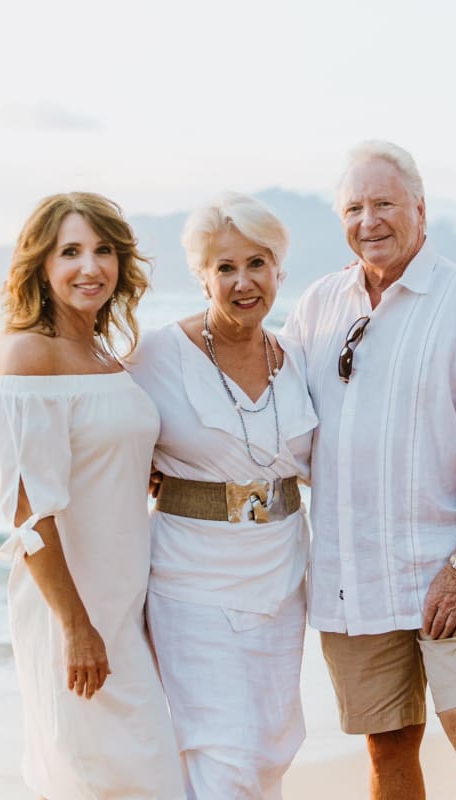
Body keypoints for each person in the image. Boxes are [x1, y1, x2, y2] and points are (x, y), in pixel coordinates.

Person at [282, 141, 456, 800]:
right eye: (355, 207)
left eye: (385, 203)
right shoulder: (317, 307)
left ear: (420, 209)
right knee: (387, 745)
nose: (370, 220)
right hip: (352, 577)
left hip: (452, 567)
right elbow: (266, 404)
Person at [0, 192, 184, 799]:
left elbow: (106, 459)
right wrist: (77, 628)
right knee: (98, 780)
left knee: (145, 775)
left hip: (124, 605)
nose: (89, 266)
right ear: (41, 265)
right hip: (71, 616)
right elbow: (29, 519)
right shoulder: (28, 355)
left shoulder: (103, 354)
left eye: (103, 250)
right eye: (70, 251)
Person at [125, 192, 316, 799]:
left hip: (282, 573)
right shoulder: (155, 354)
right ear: (201, 275)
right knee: (222, 750)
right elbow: (101, 430)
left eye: (257, 264)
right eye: (225, 267)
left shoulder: (297, 356)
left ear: (279, 271)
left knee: (268, 748)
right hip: (190, 577)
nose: (242, 282)